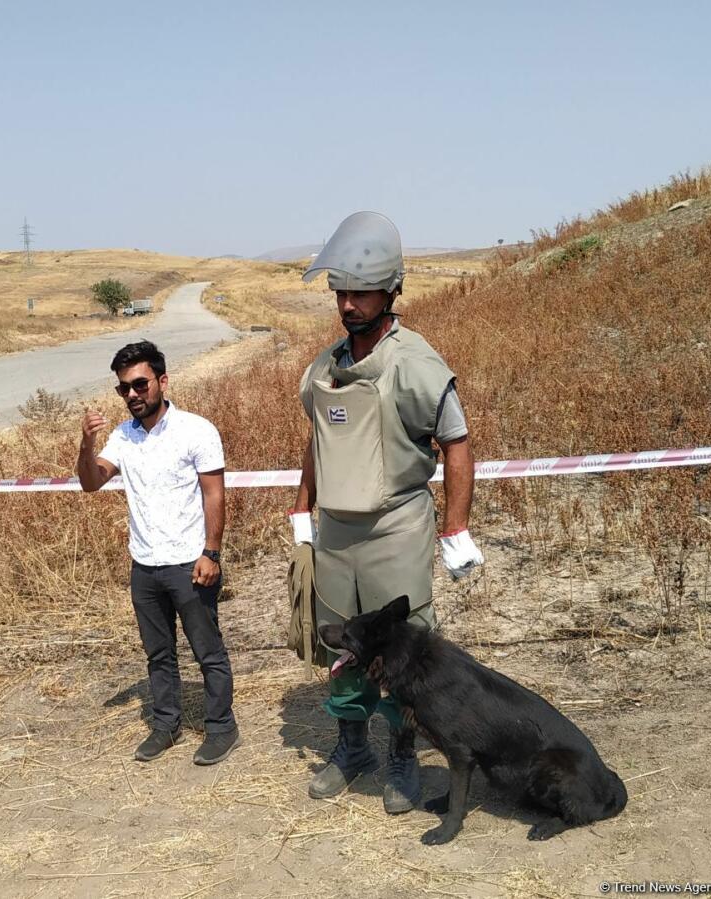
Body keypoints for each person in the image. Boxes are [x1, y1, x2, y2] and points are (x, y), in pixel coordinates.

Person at [291, 211, 484, 813]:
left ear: (390, 291)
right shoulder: (325, 366)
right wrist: (303, 510)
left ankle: (403, 757)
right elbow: (317, 440)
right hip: (337, 535)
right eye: (340, 292)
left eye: (360, 292)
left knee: (404, 655)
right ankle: (352, 748)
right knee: (338, 648)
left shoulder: (416, 365)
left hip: (397, 529)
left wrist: (455, 527)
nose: (347, 304)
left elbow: (457, 443)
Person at [78, 340, 240, 766]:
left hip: (190, 563)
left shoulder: (196, 430)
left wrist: (212, 553)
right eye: (123, 389)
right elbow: (92, 482)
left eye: (139, 384)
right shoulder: (122, 437)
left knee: (208, 652)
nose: (132, 394)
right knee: (158, 653)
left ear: (162, 382)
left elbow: (214, 495)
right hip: (145, 567)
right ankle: (166, 725)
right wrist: (85, 445)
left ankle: (221, 727)